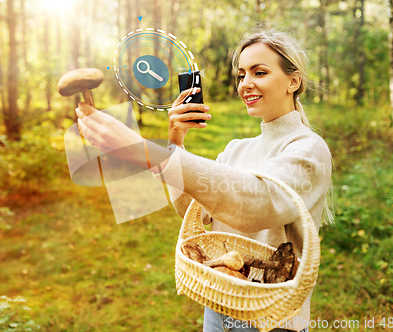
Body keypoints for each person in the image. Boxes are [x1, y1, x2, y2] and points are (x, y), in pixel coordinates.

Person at [76, 24, 332, 332]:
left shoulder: (308, 149)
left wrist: (145, 152)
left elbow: (258, 203)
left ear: (293, 81)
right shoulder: (237, 149)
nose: (245, 84)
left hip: (273, 321)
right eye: (241, 75)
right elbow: (192, 210)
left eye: (259, 72)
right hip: (220, 307)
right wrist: (175, 143)